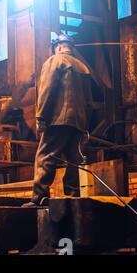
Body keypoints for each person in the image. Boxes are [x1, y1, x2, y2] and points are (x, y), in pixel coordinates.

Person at [23, 34, 93, 207]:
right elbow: (89, 101)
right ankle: (73, 198)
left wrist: (41, 116)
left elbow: (47, 90)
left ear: (59, 47)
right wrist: (85, 124)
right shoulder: (83, 67)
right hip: (78, 123)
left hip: (58, 120)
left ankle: (39, 197)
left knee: (45, 156)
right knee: (73, 161)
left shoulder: (55, 60)